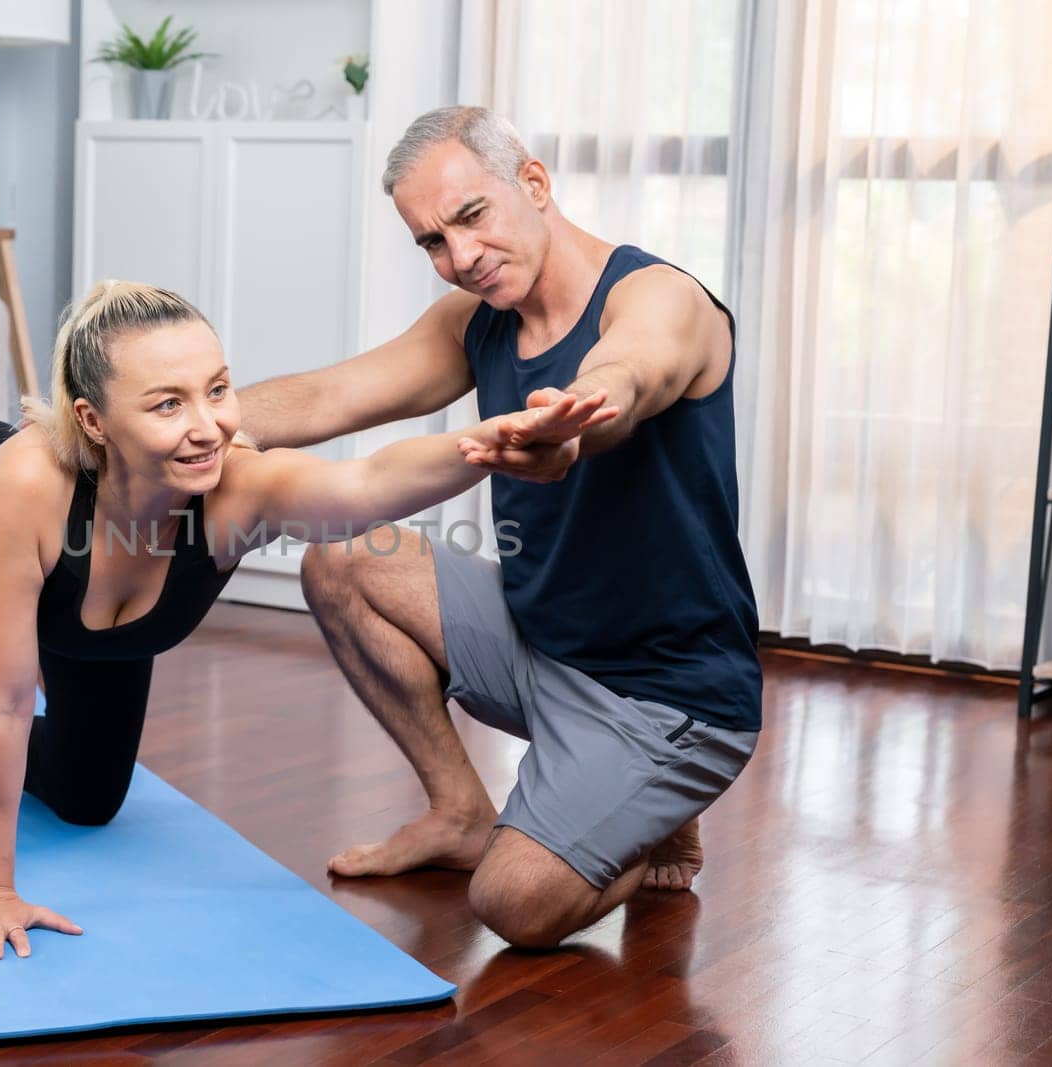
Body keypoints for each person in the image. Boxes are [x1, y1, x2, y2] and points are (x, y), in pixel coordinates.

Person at [0, 251, 616, 963]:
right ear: (93, 420)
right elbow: (10, 697)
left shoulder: (236, 486)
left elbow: (366, 483)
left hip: (98, 634)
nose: (208, 427)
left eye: (219, 389)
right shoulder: (26, 485)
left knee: (91, 802)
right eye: (167, 404)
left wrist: (492, 440)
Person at [236, 105, 763, 950]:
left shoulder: (662, 297)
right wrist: (186, 423)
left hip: (666, 696)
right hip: (541, 645)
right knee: (339, 561)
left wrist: (575, 420)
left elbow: (634, 369)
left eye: (472, 217)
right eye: (433, 242)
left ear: (534, 181)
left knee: (512, 903)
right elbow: (331, 395)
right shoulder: (479, 322)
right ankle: (457, 809)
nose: (461, 257)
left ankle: (650, 815)